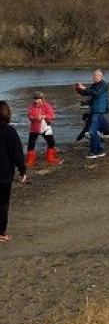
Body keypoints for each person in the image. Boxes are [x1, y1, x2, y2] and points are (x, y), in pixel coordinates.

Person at [0, 101, 27, 242]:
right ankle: (1, 233)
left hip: (4, 173)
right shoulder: (9, 131)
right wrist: (22, 170)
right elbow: (17, 154)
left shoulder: (9, 131)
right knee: (3, 204)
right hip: (4, 174)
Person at [76, 69, 109, 159]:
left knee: (92, 131)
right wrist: (78, 89)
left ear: (101, 76)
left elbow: (96, 93)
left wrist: (84, 88)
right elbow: (87, 93)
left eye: (96, 75)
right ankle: (99, 150)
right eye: (93, 75)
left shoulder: (104, 85)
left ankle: (94, 152)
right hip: (93, 110)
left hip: (99, 111)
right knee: (92, 131)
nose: (94, 77)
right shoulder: (94, 85)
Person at [25, 91, 59, 167]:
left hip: (46, 127)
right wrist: (34, 117)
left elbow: (52, 115)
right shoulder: (31, 106)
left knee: (51, 142)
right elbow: (29, 115)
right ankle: (30, 160)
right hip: (34, 128)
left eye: (38, 99)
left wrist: (44, 116)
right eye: (35, 99)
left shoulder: (47, 106)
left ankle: (50, 158)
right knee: (31, 144)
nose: (36, 101)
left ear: (42, 99)